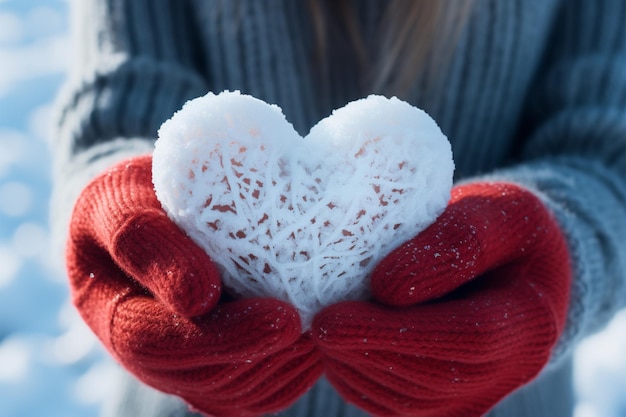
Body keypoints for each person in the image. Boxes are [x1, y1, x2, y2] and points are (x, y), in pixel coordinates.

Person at [51, 0, 625, 416]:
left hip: (498, 394)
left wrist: (557, 253)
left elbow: (608, 150)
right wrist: (112, 216)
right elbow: (114, 112)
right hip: (189, 391)